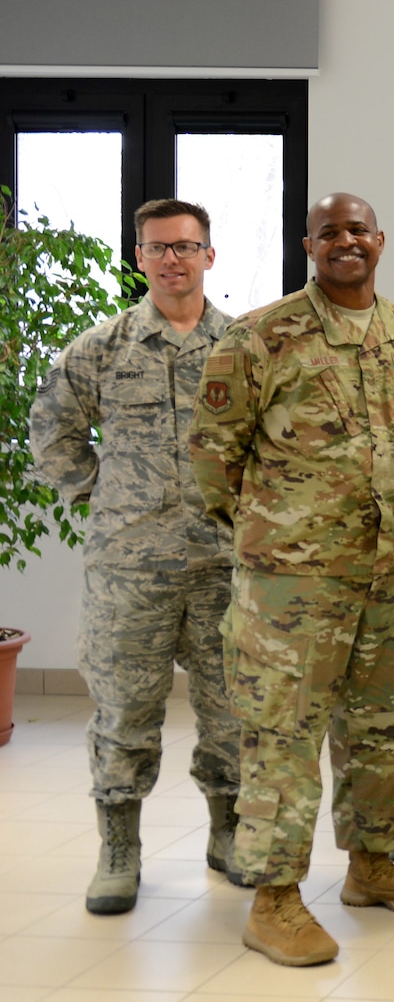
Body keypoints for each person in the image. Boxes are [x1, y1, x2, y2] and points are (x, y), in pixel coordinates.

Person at [191, 192, 394, 967]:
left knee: (378, 730)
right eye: (329, 232)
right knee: (284, 739)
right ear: (309, 243)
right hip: (290, 589)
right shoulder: (261, 335)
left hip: (382, 580)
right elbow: (213, 455)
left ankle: (371, 867)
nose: (345, 242)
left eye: (358, 231)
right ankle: (274, 901)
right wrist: (271, 539)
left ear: (380, 240)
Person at [30, 198, 244, 914]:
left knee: (232, 711)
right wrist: (104, 494)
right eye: (158, 248)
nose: (173, 259)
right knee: (124, 712)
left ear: (210, 256)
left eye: (186, 246)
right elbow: (52, 431)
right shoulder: (103, 347)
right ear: (141, 258)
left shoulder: (245, 347)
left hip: (224, 565)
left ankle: (230, 833)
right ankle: (118, 848)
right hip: (130, 571)